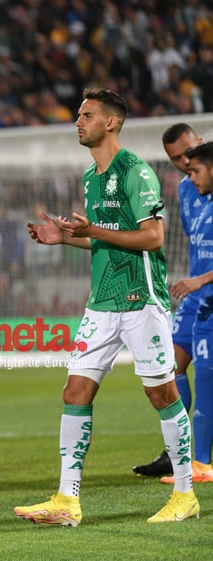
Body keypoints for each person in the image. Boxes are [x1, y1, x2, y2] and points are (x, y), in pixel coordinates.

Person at [16, 88, 198, 525]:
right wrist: (67, 238)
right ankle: (67, 499)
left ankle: (185, 494)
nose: (78, 122)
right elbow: (102, 237)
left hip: (142, 299)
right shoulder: (89, 178)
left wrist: (93, 228)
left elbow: (152, 238)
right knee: (74, 392)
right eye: (79, 115)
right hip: (101, 303)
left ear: (110, 123)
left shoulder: (136, 172)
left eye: (87, 115)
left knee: (161, 393)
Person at [133, 123, 205, 477]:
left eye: (188, 153)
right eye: (175, 158)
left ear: (201, 144)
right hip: (195, 292)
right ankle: (177, 451)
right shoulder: (184, 188)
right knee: (172, 366)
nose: (183, 161)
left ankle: (201, 456)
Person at [158, 141, 213, 485]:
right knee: (200, 371)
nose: (187, 175)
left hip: (204, 292)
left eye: (194, 169)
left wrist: (199, 281)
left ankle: (201, 461)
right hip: (204, 299)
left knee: (207, 375)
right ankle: (199, 460)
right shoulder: (196, 199)